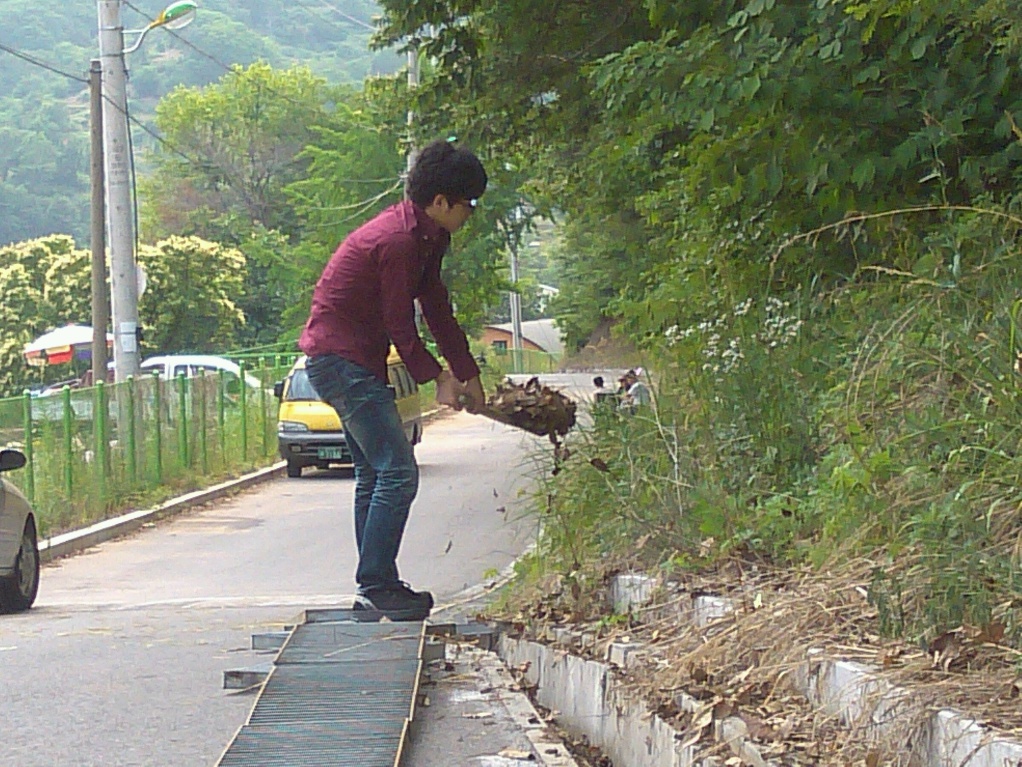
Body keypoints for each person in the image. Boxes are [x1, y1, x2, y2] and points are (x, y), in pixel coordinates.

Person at [298, 139, 488, 621]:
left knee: (374, 473)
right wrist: (437, 378)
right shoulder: (399, 242)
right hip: (339, 361)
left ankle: (373, 588)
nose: (471, 213)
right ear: (441, 201)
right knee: (399, 472)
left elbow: (437, 308)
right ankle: (377, 584)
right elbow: (400, 323)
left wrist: (468, 373)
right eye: (469, 203)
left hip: (351, 361)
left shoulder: (428, 238)